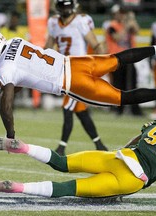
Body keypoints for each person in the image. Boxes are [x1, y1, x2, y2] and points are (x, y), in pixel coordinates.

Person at [0, 29, 156, 140]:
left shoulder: (3, 69)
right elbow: (24, 72)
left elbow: (7, 105)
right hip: (77, 63)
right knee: (118, 59)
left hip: (72, 82)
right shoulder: (14, 41)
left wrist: (10, 133)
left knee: (122, 98)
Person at [0, 114, 156, 206]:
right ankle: (17, 187)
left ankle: (24, 147)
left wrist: (119, 155)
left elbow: (134, 141)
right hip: (133, 179)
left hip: (120, 158)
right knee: (68, 188)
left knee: (62, 162)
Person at [44, 0, 108, 155]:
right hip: (64, 70)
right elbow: (48, 47)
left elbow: (95, 44)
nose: (65, 9)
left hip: (79, 70)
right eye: (62, 6)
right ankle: (99, 145)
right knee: (81, 112)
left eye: (67, 5)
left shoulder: (80, 21)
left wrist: (103, 64)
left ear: (73, 6)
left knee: (67, 108)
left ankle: (61, 147)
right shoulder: (53, 22)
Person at [105, 4, 143, 116]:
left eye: (123, 13)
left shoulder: (128, 24)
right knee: (118, 85)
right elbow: (117, 37)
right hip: (117, 58)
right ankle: (118, 109)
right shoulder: (112, 25)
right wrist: (126, 25)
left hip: (130, 58)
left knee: (133, 84)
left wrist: (132, 20)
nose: (122, 15)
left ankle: (135, 109)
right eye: (120, 13)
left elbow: (137, 31)